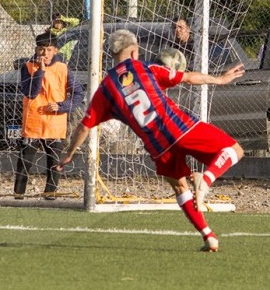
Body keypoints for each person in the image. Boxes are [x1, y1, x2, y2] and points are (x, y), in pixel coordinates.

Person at [57, 29, 246, 252]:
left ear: (112, 54)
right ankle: (207, 177)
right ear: (134, 51)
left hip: (157, 146)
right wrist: (220, 79)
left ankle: (208, 236)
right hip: (179, 127)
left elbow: (83, 127)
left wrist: (69, 153)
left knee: (179, 187)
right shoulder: (145, 68)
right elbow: (188, 77)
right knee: (235, 149)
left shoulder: (105, 89)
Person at [14, 32, 84, 200]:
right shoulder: (28, 67)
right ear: (36, 49)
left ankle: (50, 192)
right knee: (25, 161)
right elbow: (31, 92)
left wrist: (62, 106)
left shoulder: (63, 69)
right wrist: (41, 72)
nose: (44, 54)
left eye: (48, 50)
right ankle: (18, 193)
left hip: (54, 123)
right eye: (41, 49)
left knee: (54, 161)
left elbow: (78, 94)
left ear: (55, 51)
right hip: (33, 122)